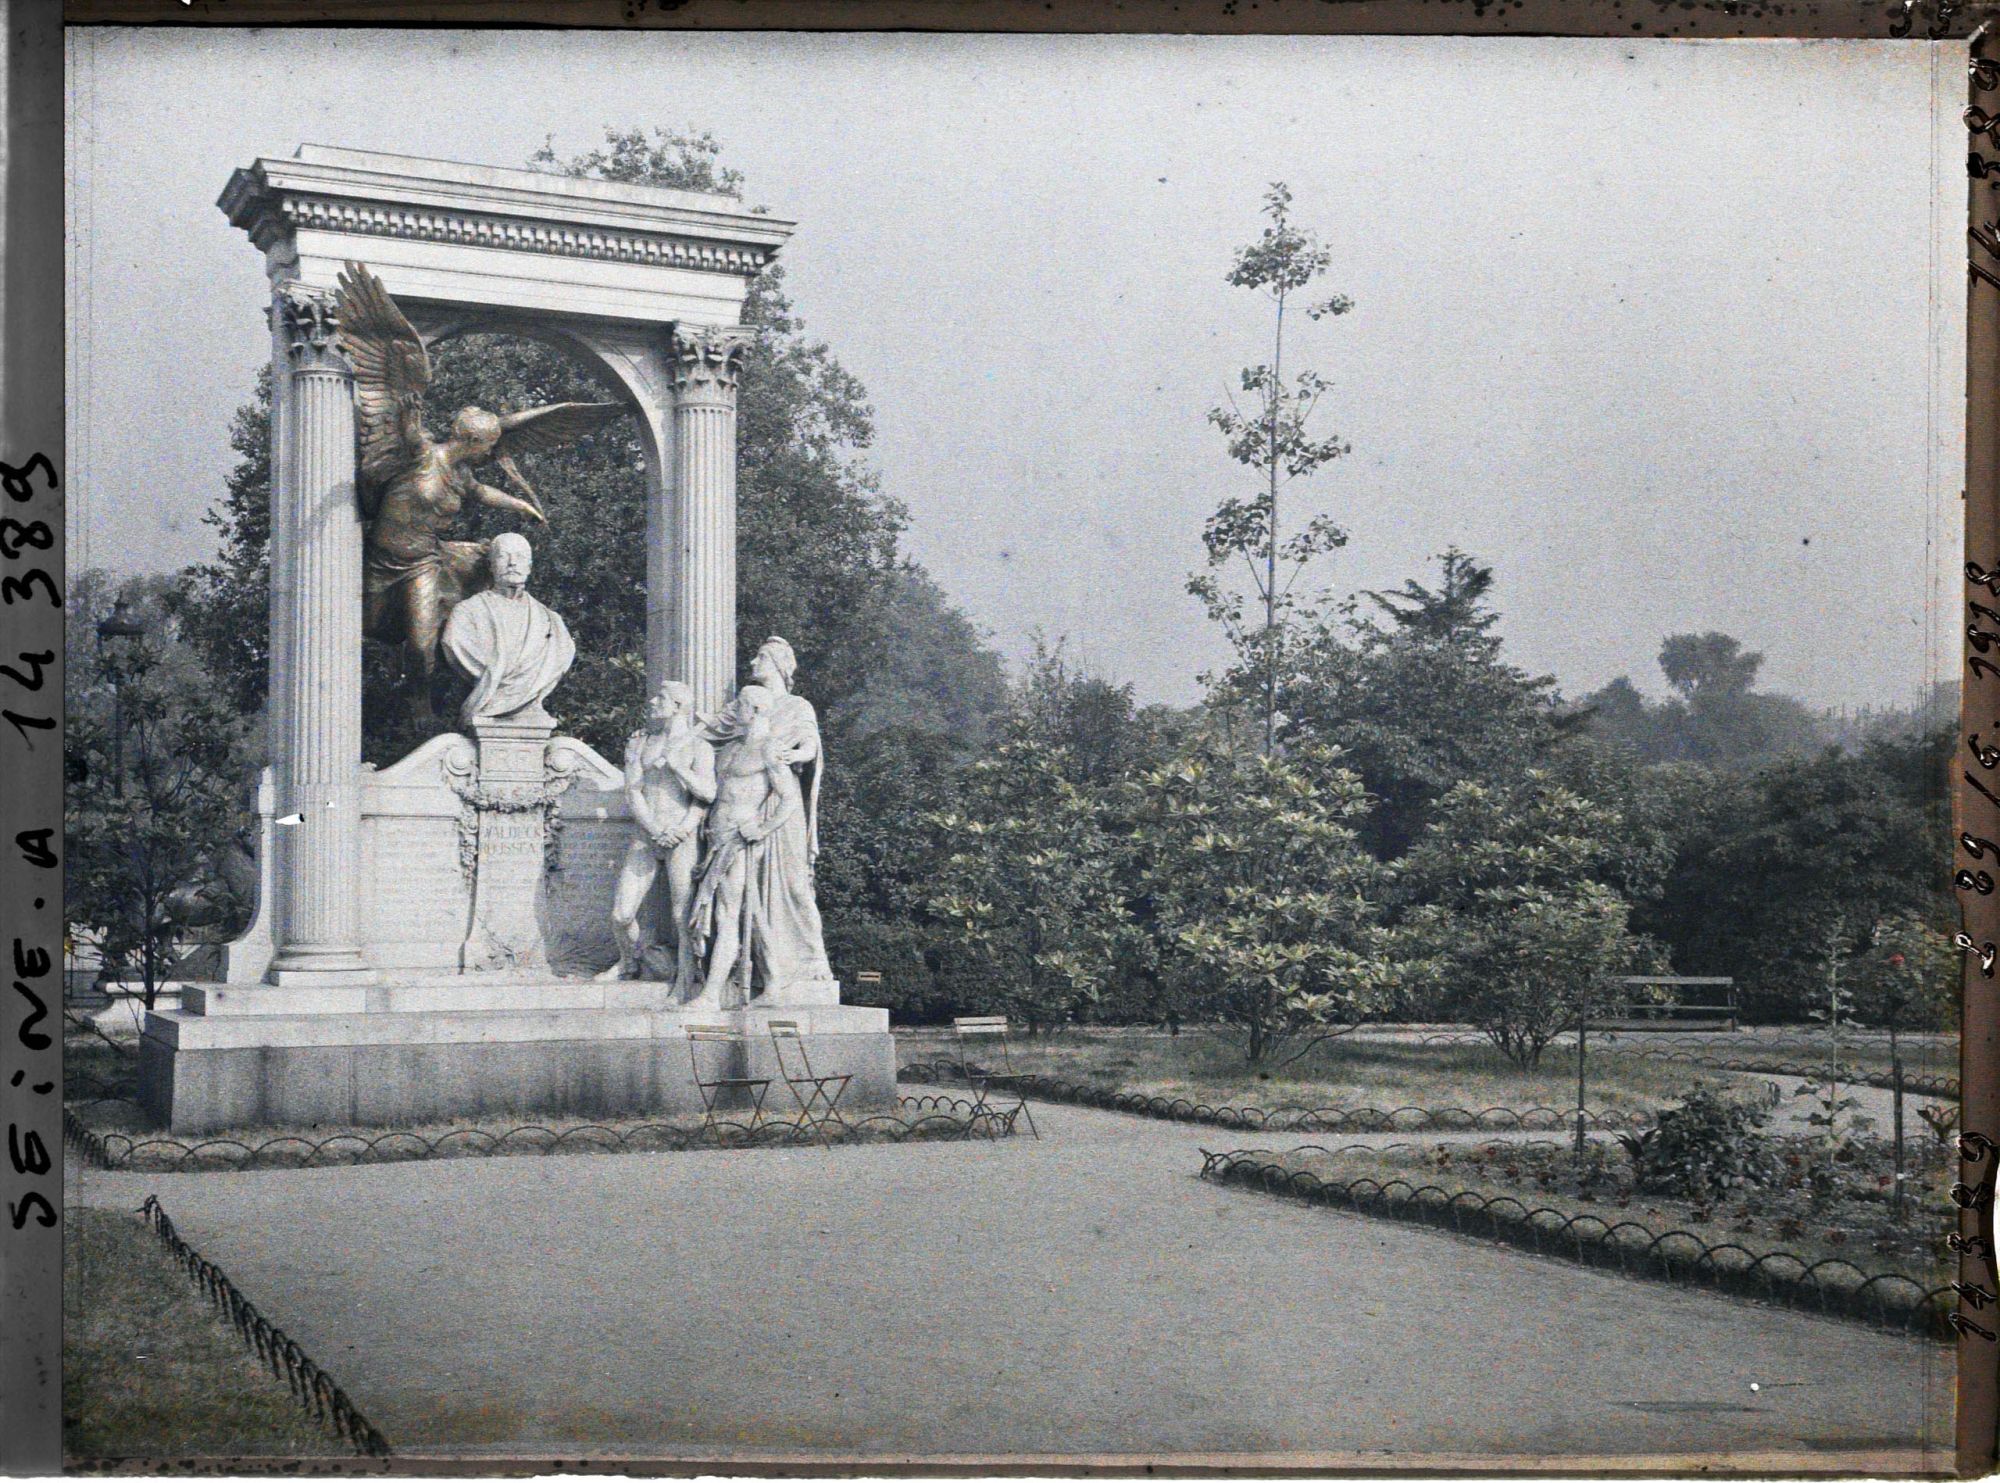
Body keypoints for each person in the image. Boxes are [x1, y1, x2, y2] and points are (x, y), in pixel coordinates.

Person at [686, 683, 835, 1009]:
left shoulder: (769, 749)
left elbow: (789, 800)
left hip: (740, 842)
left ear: (754, 711)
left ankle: (710, 996)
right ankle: (774, 980)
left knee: (727, 915)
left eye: (739, 705)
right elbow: (712, 793)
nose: (733, 710)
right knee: (749, 912)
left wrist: (761, 829)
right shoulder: (730, 749)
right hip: (715, 839)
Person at [595, 682, 715, 987]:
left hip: (682, 836)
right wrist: (654, 829)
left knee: (682, 914)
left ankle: (687, 975)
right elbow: (633, 791)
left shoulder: (699, 747)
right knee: (622, 914)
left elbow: (706, 794)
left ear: (678, 706)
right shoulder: (641, 743)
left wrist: (680, 771)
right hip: (647, 835)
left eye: (660, 697)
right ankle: (629, 962)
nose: (652, 701)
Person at [438, 533, 576, 727]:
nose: (512, 563)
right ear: (491, 565)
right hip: (486, 707)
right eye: (503, 556)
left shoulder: (552, 622)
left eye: (520, 557)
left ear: (529, 566)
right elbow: (453, 643)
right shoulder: (466, 613)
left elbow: (562, 656)